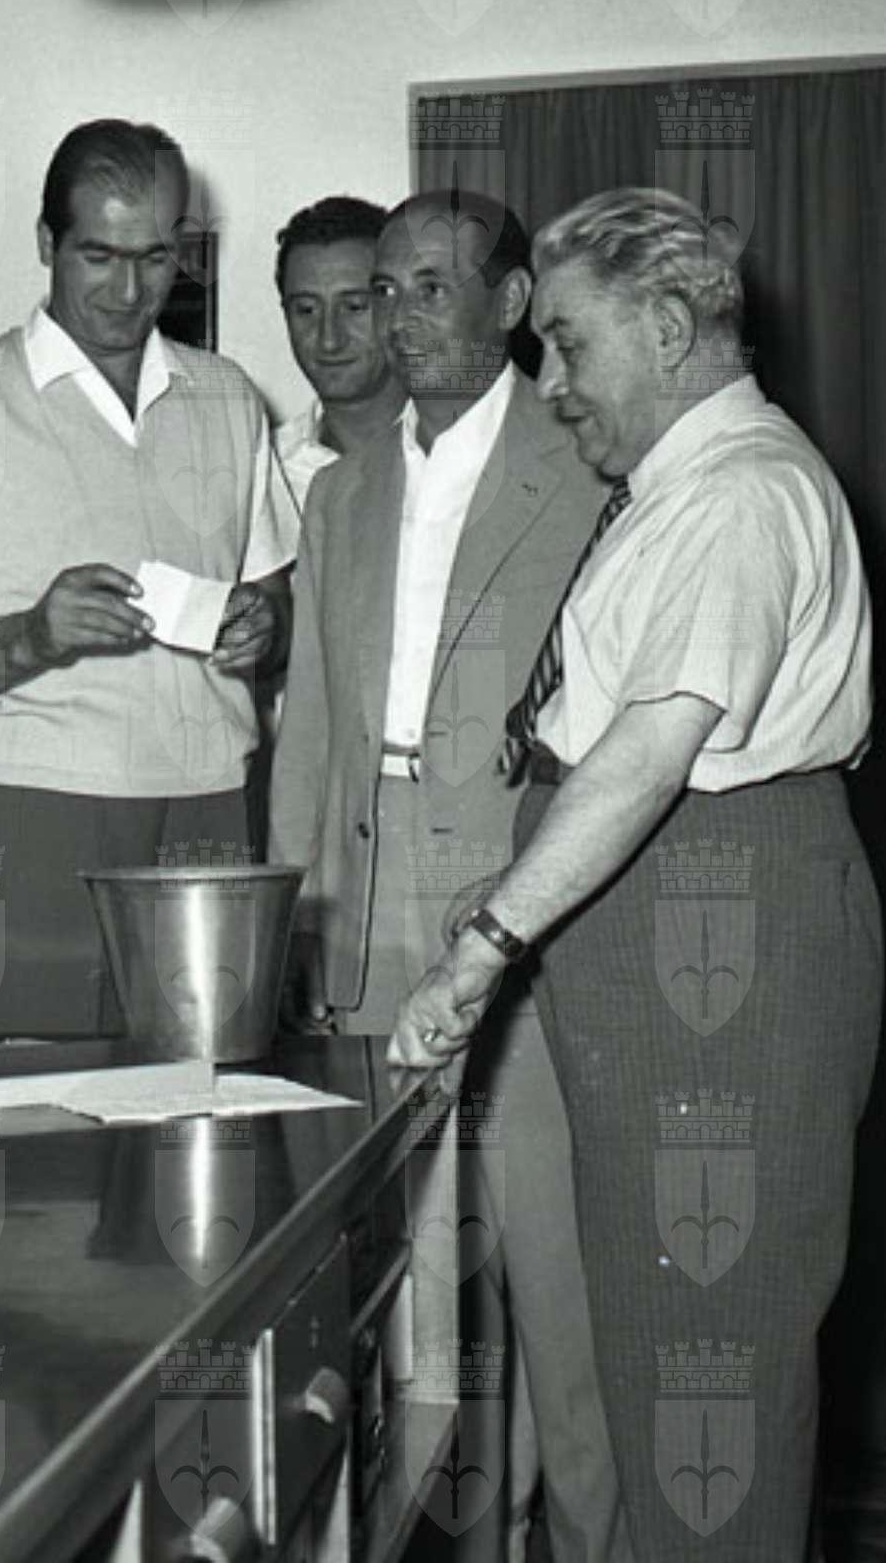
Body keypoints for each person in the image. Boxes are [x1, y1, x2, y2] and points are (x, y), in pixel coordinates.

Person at [395, 188, 881, 1560]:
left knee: (706, 1376)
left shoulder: (736, 495)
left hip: (712, 927)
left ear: (667, 328)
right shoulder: (679, 487)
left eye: (567, 342)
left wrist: (485, 945)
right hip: (657, 926)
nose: (549, 382)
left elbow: (651, 749)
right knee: (663, 1359)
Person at [270, 187, 628, 1560]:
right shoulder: (341, 492)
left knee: (557, 1273)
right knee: (404, 1290)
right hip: (366, 916)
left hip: (524, 910)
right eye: (385, 290)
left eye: (430, 287)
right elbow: (309, 731)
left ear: (509, 301)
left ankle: (585, 1537)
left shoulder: (586, 463)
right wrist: (295, 920)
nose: (397, 318)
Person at [0, 119, 298, 1040]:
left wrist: (263, 627)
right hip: (33, 809)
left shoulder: (229, 398)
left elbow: (278, 606)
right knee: (33, 1102)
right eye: (98, 256)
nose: (128, 290)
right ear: (47, 242)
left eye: (154, 258)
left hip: (207, 806)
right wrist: (29, 637)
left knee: (201, 1098)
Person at [270, 194, 402, 509]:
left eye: (354, 307)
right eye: (306, 310)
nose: (329, 339)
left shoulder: (462, 448)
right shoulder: (265, 475)